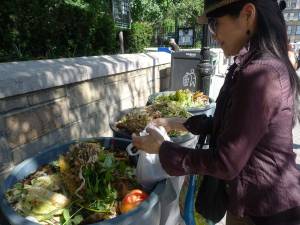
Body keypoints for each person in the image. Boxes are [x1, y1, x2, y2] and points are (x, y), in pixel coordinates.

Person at [132, 0, 300, 225]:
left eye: (215, 23)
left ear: (247, 15)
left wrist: (162, 149)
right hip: (249, 201)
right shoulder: (254, 64)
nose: (212, 35)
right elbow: (231, 122)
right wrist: (177, 122)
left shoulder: (261, 74)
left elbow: (226, 163)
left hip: (265, 209)